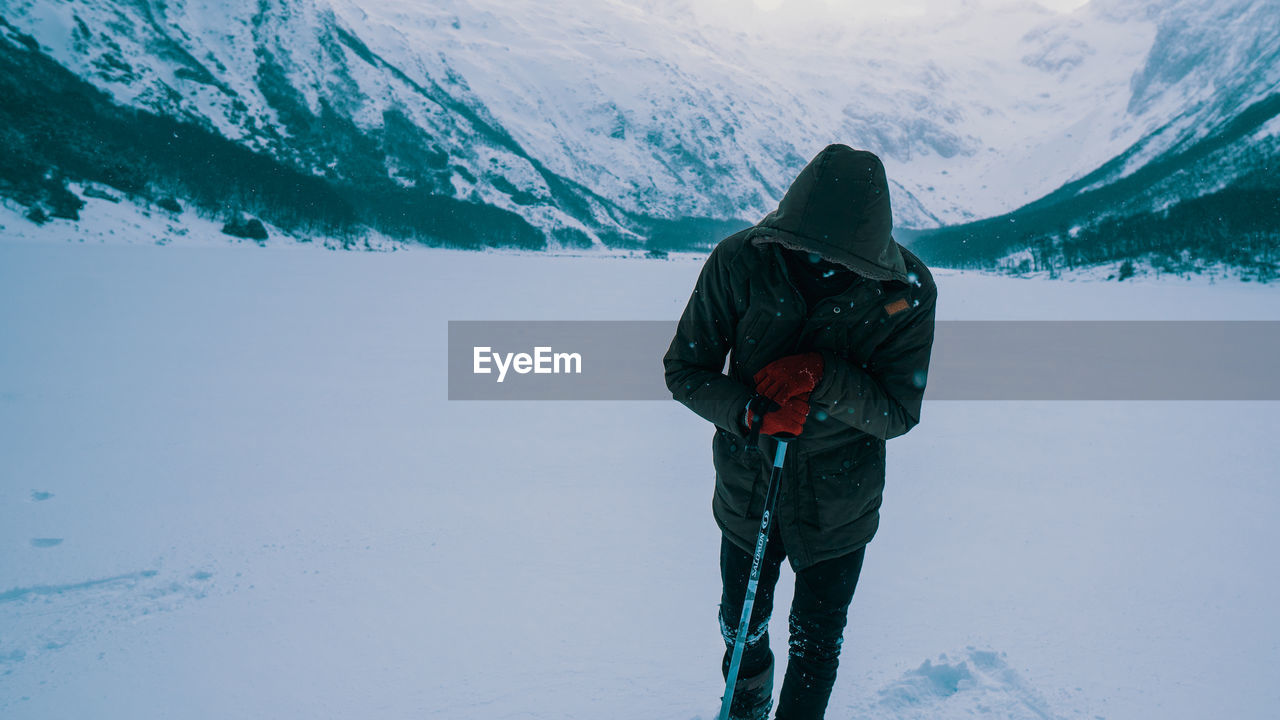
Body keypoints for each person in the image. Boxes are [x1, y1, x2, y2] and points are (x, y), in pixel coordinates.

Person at [663, 144, 937, 720]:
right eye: (809, 253)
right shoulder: (739, 261)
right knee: (741, 626)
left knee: (816, 642)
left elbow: (897, 412)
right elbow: (685, 370)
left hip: (841, 504)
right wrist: (752, 413)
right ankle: (746, 705)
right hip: (748, 491)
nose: (825, 265)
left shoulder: (906, 290)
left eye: (844, 262)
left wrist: (824, 375)